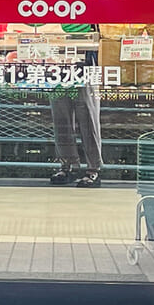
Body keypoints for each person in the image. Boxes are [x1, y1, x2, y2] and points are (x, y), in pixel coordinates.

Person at [49, 22, 103, 188]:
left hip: (85, 66)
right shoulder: (52, 3)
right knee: (61, 119)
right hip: (57, 67)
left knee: (88, 118)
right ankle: (67, 166)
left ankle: (93, 169)